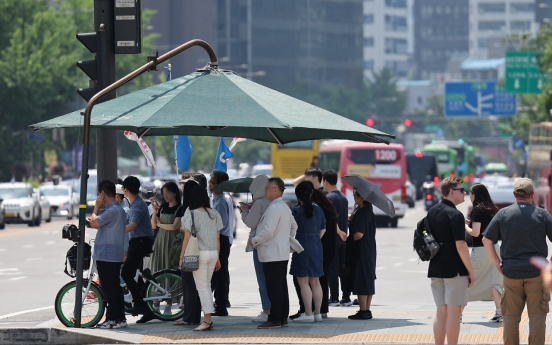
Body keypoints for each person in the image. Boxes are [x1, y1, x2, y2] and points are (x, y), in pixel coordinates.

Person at [483, 178, 552, 345]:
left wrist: (497, 263)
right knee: (537, 317)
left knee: (511, 318)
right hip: (537, 273)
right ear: (532, 195)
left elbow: (486, 240)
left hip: (511, 273)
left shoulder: (503, 214)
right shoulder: (542, 214)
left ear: (514, 194)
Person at [426, 177, 475, 345]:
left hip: (435, 266)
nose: (465, 193)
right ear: (452, 192)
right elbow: (461, 246)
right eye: (462, 190)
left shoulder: (432, 211)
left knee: (441, 311)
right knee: (454, 311)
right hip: (454, 268)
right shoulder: (455, 214)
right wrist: (471, 271)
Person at [251, 177, 298, 329]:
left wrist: (255, 240)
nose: (265, 191)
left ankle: (275, 317)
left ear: (275, 190)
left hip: (272, 253)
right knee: (281, 286)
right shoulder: (283, 206)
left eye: (267, 188)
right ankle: (282, 316)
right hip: (281, 252)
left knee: (273, 287)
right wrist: (284, 239)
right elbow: (294, 226)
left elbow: (268, 230)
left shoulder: (274, 207)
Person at [179, 185, 223, 332]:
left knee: (202, 288)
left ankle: (207, 321)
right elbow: (218, 237)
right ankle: (208, 320)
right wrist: (217, 257)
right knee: (206, 286)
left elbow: (186, 238)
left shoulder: (190, 213)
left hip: (199, 254)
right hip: (213, 253)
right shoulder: (214, 213)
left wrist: (182, 256)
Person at [290, 187, 338, 320]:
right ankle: (318, 313)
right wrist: (315, 239)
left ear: (298, 197)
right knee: (316, 282)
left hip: (302, 247)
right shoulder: (319, 209)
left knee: (303, 282)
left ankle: (308, 313)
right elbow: (323, 229)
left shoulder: (297, 211)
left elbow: (291, 230)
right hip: (317, 247)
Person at [88, 180, 127, 329]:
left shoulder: (111, 211)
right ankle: (120, 318)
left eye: (99, 194)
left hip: (107, 255)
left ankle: (112, 319)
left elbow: (93, 222)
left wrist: (96, 207)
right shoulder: (118, 210)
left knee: (110, 289)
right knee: (115, 287)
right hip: (113, 254)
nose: (99, 197)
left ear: (103, 193)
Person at [463, 183, 502, 322]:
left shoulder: (477, 210)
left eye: (470, 194)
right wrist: (471, 222)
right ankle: (499, 312)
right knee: (495, 281)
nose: (469, 196)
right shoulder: (493, 209)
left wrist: (466, 226)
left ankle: (458, 314)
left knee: (468, 280)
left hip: (481, 249)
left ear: (475, 195)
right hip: (495, 248)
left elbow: (475, 232)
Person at [121, 176, 155, 323]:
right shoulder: (135, 203)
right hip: (138, 242)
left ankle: (140, 304)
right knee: (136, 274)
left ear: (126, 190)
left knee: (126, 273)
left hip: (140, 242)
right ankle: (148, 310)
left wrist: (117, 231)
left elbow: (133, 225)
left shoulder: (138, 205)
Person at [239, 175, 272, 323]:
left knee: (262, 279)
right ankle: (273, 309)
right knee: (272, 279)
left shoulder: (259, 202)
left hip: (259, 244)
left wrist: (244, 211)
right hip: (271, 245)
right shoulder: (271, 200)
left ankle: (266, 310)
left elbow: (251, 223)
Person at [344, 189, 376, 320]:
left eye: (355, 196)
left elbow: (358, 234)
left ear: (361, 197)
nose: (354, 199)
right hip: (370, 249)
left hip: (361, 250)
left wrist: (348, 238)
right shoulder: (369, 211)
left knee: (361, 279)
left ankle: (363, 310)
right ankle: (367, 309)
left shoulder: (362, 213)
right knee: (368, 279)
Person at [176, 178, 203, 326]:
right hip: (203, 251)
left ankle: (189, 317)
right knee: (197, 286)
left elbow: (186, 235)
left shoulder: (188, 211)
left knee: (189, 286)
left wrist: (181, 256)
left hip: (190, 252)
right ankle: (194, 317)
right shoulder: (205, 210)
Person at [208, 170, 234, 317]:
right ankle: (220, 303)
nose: (210, 184)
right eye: (210, 181)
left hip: (220, 239)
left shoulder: (221, 202)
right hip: (223, 238)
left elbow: (218, 225)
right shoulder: (219, 199)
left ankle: (221, 305)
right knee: (220, 273)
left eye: (213, 182)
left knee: (219, 274)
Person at [323, 169, 350, 306]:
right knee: (342, 269)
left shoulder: (329, 198)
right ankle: (346, 297)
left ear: (325, 181)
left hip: (333, 239)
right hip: (343, 240)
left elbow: (331, 220)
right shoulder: (344, 198)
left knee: (332, 269)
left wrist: (338, 232)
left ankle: (333, 297)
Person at [151, 182, 184, 272]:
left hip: (172, 241)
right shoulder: (162, 207)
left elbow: (174, 227)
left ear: (174, 193)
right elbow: (153, 225)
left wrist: (160, 224)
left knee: (170, 266)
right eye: (163, 193)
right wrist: (154, 212)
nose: (165, 196)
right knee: (159, 266)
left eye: (167, 193)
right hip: (160, 241)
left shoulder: (180, 208)